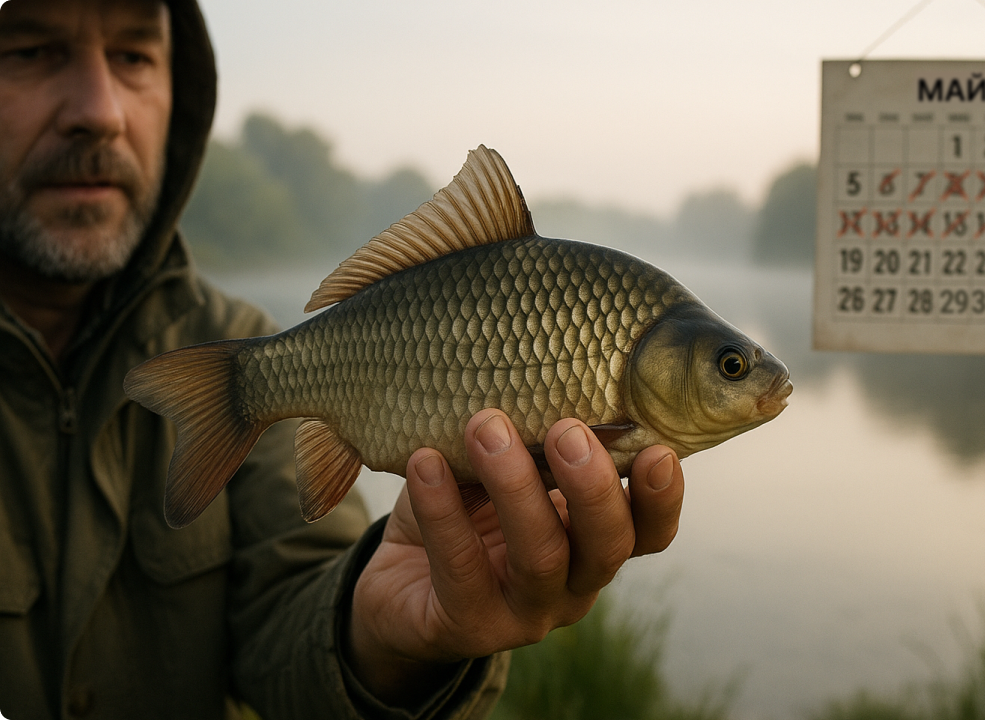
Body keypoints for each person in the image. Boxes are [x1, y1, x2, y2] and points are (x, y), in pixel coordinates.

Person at [0, 0, 686, 718]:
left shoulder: (242, 336)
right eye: (31, 51)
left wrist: (394, 636)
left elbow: (285, 619)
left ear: (181, 94)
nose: (100, 110)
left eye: (134, 56)